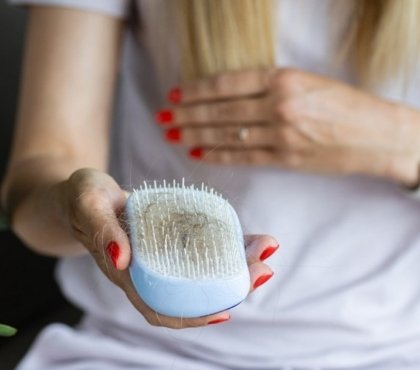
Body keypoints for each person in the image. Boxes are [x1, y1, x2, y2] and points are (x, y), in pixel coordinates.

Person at [2, 0, 420, 369]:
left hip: (393, 349)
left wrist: (401, 140)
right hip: (134, 350)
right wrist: (79, 209)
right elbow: (39, 181)